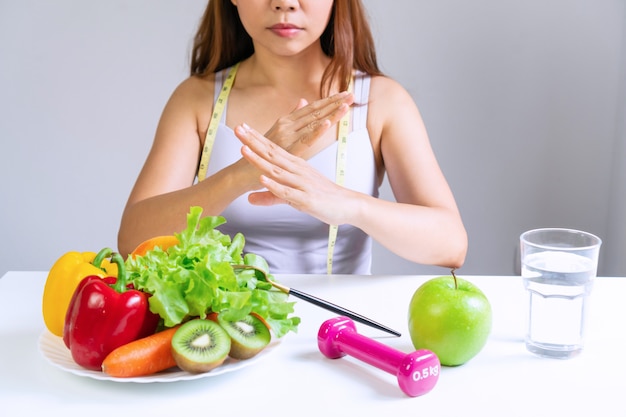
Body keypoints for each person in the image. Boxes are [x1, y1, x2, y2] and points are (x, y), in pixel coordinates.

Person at [118, 0, 467, 275]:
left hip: (342, 340)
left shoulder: (380, 101)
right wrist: (242, 174)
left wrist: (349, 205)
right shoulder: (196, 100)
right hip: (232, 338)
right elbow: (132, 240)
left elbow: (451, 245)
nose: (285, 3)